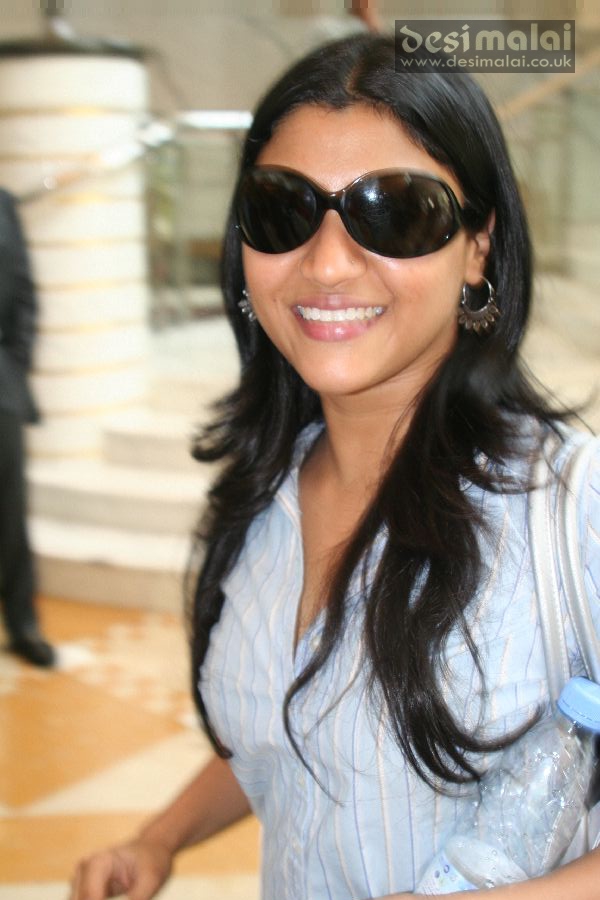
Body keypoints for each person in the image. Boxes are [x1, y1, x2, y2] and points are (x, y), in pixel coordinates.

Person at [70, 33, 600, 899]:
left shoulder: (572, 508)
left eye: (395, 212)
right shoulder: (264, 495)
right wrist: (157, 840)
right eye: (284, 210)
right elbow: (288, 738)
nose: (325, 264)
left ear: (478, 247)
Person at [0, 188, 55, 668]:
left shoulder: (3, 205)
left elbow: (23, 294)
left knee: (9, 513)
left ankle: (23, 625)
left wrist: (13, 370)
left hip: (0, 387)